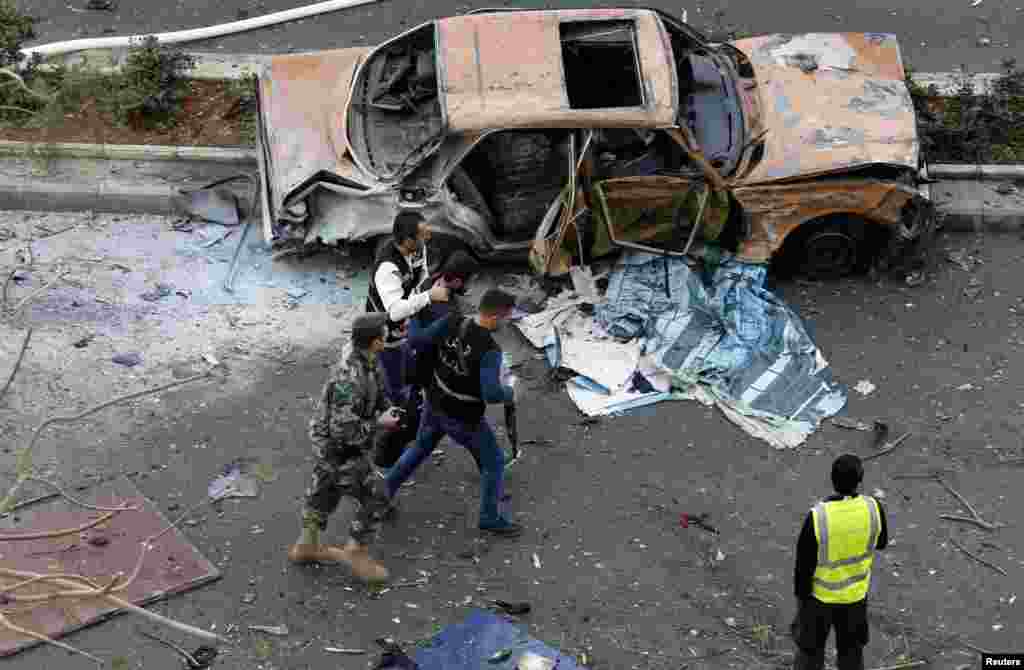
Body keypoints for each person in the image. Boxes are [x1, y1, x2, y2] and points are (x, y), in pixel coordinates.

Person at [382, 288, 523, 537]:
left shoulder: (452, 320)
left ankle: (382, 495)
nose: (506, 322)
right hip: (463, 417)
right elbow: (491, 394)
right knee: (494, 463)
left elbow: (417, 341)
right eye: (506, 318)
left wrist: (414, 317)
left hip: (435, 402)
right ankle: (490, 517)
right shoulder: (490, 350)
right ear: (495, 317)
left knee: (418, 450)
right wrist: (510, 392)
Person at [287, 313, 401, 583]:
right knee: (377, 495)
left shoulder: (367, 360)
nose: (390, 335)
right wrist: (379, 423)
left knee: (323, 492)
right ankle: (356, 552)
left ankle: (306, 546)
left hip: (332, 447)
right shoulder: (349, 378)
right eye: (385, 334)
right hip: (338, 449)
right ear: (375, 342)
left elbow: (378, 390)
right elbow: (344, 432)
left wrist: (387, 407)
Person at [374, 249, 483, 473]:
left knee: (419, 418)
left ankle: (388, 454)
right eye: (469, 281)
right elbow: (421, 339)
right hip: (426, 371)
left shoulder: (432, 283)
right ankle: (384, 457)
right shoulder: (444, 310)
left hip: (419, 368)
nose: (471, 286)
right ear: (455, 281)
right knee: (415, 420)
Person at [792, 454, 889, 670]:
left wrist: (801, 608)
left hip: (819, 600)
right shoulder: (873, 508)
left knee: (810, 654)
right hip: (855, 598)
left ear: (832, 479)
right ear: (860, 480)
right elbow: (881, 542)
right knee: (852, 655)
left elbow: (803, 570)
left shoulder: (818, 516)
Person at [366, 211, 450, 406]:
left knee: (409, 363)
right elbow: (394, 312)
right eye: (423, 235)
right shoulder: (387, 268)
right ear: (407, 240)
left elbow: (423, 275)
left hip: (405, 321)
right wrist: (428, 297)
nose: (428, 238)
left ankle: (410, 395)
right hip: (385, 329)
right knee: (393, 373)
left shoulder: (419, 250)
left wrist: (423, 293)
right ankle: (398, 410)